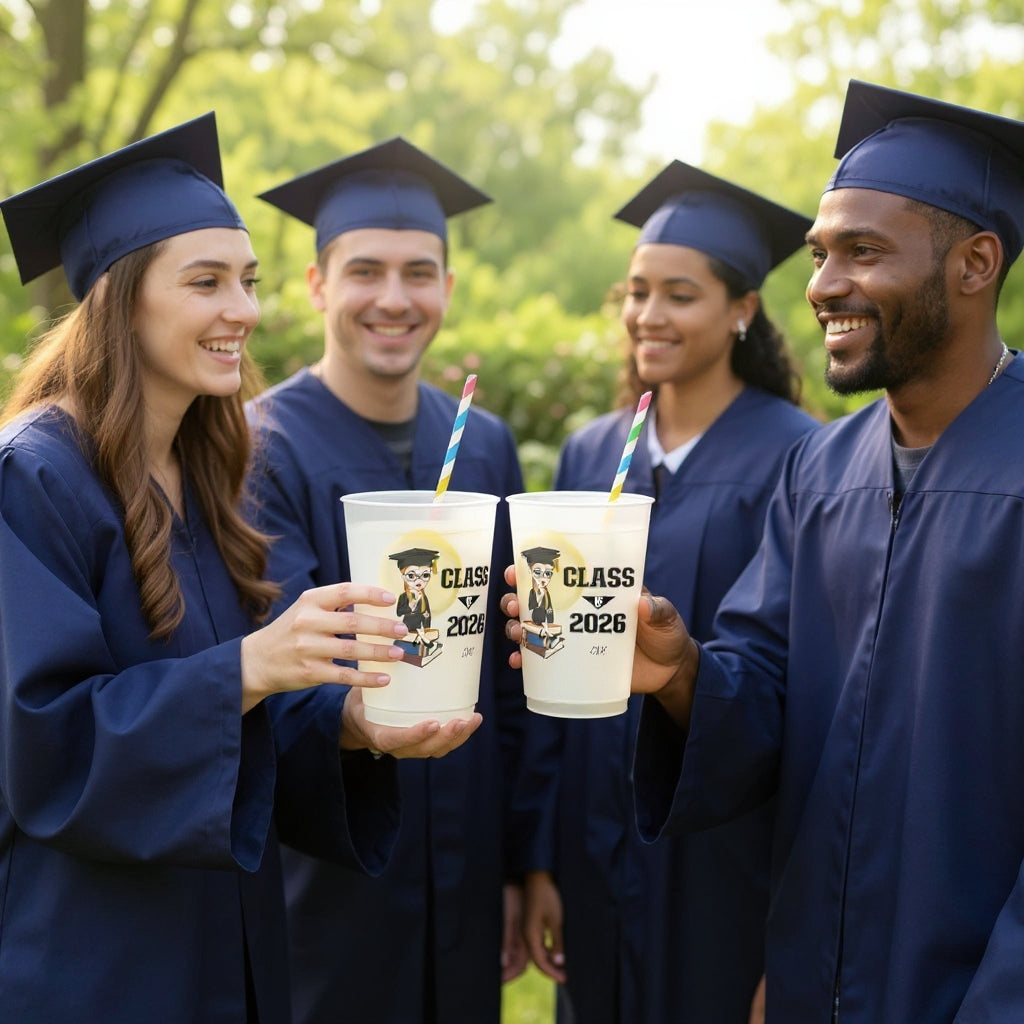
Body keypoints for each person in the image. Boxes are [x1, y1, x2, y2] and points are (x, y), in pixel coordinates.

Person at [0, 114, 477, 1024]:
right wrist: (253, 665)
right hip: (94, 966)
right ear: (119, 296)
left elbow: (241, 729)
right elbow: (46, 747)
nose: (245, 313)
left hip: (233, 954)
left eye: (249, 283)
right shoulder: (33, 477)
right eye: (207, 282)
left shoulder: (210, 468)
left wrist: (353, 727)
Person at [581, 80, 1024, 1022]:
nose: (823, 284)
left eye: (864, 251)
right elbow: (766, 704)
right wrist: (681, 674)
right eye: (822, 254)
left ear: (976, 263)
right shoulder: (821, 472)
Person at [517, 163, 818, 1024]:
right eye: (638, 291)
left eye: (680, 295)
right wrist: (541, 858)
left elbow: (814, 697)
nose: (649, 315)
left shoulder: (803, 460)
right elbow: (543, 673)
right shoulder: (589, 456)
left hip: (727, 860)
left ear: (743, 311)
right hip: (591, 847)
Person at [249, 137, 529, 1024]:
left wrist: (521, 861)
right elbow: (271, 675)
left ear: (448, 286)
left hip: (473, 854)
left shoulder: (484, 445)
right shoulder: (260, 450)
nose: (395, 299)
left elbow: (515, 672)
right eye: (365, 270)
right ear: (317, 283)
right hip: (329, 877)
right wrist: (359, 726)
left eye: (420, 272)